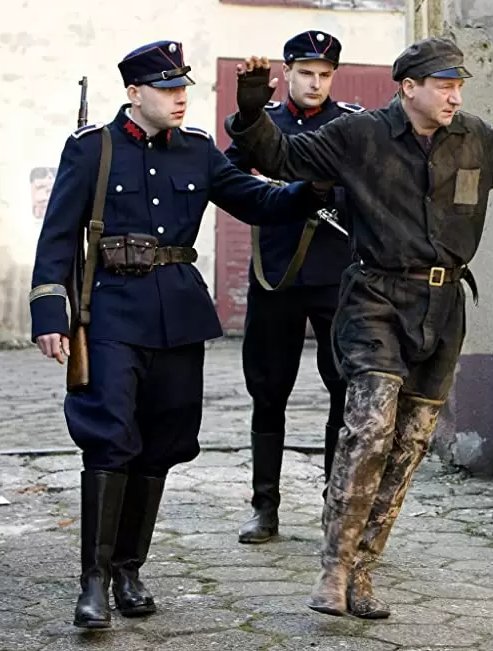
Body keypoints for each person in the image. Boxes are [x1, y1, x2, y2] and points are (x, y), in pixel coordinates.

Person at [223, 36, 493, 619]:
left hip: (443, 309)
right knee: (369, 429)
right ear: (409, 88)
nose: (455, 96)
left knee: (408, 446)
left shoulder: (473, 138)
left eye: (458, 86)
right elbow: (282, 158)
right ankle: (334, 568)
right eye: (444, 85)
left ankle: (363, 570)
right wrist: (251, 109)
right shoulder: (360, 135)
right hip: (376, 298)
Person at [28, 40, 323, 629]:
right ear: (134, 93)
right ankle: (93, 583)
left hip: (179, 317)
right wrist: (49, 314)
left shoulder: (197, 151)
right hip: (109, 314)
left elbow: (256, 200)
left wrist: (313, 189)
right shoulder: (93, 148)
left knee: (162, 443)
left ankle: (128, 571)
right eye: (166, 89)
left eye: (183, 87)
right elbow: (57, 236)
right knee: (109, 437)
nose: (179, 97)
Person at [225, 30, 364, 545]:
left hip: (335, 276)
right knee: (268, 391)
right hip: (276, 275)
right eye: (306, 73)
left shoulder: (351, 125)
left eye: (325, 75)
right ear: (287, 73)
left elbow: (370, 188)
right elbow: (228, 180)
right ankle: (264, 507)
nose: (315, 83)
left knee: (343, 390)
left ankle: (335, 508)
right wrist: (271, 192)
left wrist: (333, 196)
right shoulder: (264, 125)